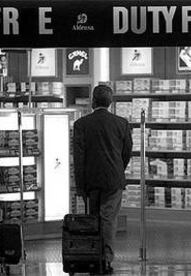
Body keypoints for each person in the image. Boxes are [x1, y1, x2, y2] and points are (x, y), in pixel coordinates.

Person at [73, 85, 133, 274]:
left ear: (93, 101)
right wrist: (118, 169)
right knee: (108, 219)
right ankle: (106, 259)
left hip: (91, 180)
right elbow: (127, 152)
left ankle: (93, 255)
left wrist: (80, 186)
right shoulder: (121, 123)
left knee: (94, 219)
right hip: (113, 180)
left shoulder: (81, 124)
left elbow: (78, 157)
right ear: (111, 102)